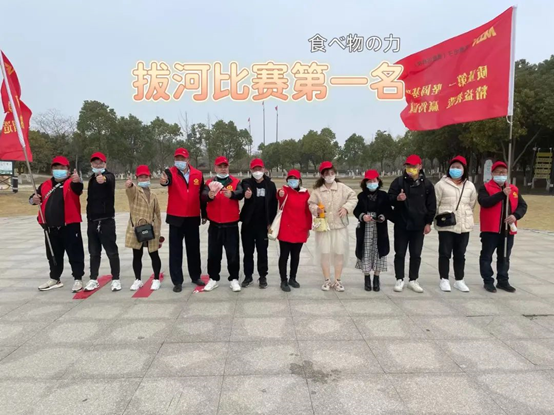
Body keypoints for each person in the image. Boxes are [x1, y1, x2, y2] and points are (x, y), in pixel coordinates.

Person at [31, 156, 85, 292]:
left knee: (75, 253)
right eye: (56, 167)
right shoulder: (45, 185)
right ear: (52, 170)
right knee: (53, 254)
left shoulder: (71, 182)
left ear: (68, 169)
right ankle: (55, 278)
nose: (58, 170)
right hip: (50, 226)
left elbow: (78, 188)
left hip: (69, 225)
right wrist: (33, 199)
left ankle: (78, 278)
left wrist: (77, 181)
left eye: (62, 168)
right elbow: (34, 198)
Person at [160, 148, 206, 292]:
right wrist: (164, 182)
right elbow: (165, 181)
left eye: (182, 158)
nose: (180, 161)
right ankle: (177, 281)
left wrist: (204, 214)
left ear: (188, 160)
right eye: (177, 159)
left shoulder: (198, 174)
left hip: (192, 216)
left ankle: (195, 276)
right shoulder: (170, 172)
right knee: (175, 251)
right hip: (176, 217)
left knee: (193, 249)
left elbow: (202, 195)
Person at [388, 155, 436, 293]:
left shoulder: (427, 185)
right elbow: (389, 198)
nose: (411, 169)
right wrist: (397, 198)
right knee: (400, 253)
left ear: (420, 166)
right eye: (408, 166)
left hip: (418, 224)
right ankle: (399, 279)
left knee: (416, 253)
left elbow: (431, 205)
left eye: (414, 166)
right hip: (402, 223)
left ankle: (413, 279)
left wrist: (428, 222)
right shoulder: (398, 182)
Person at [478, 161, 527, 293]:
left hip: (507, 230)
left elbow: (523, 206)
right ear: (493, 173)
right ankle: (488, 281)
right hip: (491, 229)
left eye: (504, 173)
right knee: (486, 256)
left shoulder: (513, 189)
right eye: (499, 172)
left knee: (504, 257)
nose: (501, 175)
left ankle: (503, 281)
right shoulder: (485, 188)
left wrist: (516, 215)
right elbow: (484, 202)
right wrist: (502, 194)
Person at [308, 161, 357, 292]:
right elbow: (311, 203)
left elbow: (353, 197)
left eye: (332, 173)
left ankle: (338, 280)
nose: (330, 176)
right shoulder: (317, 190)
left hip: (339, 226)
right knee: (324, 253)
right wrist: (316, 209)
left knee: (339, 253)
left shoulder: (342, 187)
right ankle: (327, 280)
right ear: (322, 175)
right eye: (327, 174)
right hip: (324, 227)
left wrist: (346, 208)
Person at [201, 156, 244, 292]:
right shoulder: (209, 183)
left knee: (233, 254)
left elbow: (240, 193)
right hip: (215, 225)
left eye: (225, 166)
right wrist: (210, 196)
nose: (223, 169)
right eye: (220, 166)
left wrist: (232, 194)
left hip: (231, 225)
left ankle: (234, 279)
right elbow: (203, 195)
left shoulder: (235, 181)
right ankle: (213, 278)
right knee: (214, 254)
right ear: (215, 168)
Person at [434, 156, 477, 292]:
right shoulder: (441, 185)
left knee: (460, 254)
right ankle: (444, 279)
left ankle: (459, 280)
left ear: (464, 169)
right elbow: (435, 204)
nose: (455, 169)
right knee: (444, 253)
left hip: (464, 225)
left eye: (458, 167)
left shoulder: (470, 186)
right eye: (453, 167)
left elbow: (472, 204)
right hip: (446, 225)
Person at [84, 152, 121, 292]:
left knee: (111, 251)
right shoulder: (91, 179)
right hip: (92, 221)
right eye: (95, 163)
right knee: (94, 252)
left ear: (105, 164)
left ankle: (116, 279)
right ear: (91, 164)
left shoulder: (109, 176)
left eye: (100, 163)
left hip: (106, 221)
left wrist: (103, 179)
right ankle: (93, 279)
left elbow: (108, 180)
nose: (98, 165)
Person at [240, 158, 278, 288]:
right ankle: (248, 276)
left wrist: (270, 223)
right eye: (254, 169)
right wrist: (247, 194)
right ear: (251, 170)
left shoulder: (270, 185)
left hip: (263, 225)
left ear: (264, 169)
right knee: (248, 252)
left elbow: (273, 205)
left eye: (259, 169)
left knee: (262, 252)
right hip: (248, 224)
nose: (257, 171)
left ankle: (262, 276)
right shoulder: (247, 182)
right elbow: (245, 189)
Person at [353, 170, 392, 292]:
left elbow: (388, 210)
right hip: (366, 227)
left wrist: (383, 216)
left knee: (378, 250)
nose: (372, 183)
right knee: (366, 250)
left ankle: (376, 277)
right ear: (365, 183)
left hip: (379, 227)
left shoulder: (383, 195)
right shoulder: (361, 196)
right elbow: (356, 211)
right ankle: (366, 277)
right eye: (369, 181)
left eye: (374, 181)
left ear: (378, 181)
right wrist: (363, 216)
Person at [125, 165, 162, 291]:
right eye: (141, 177)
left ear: (149, 177)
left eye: (146, 176)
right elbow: (130, 191)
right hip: (137, 228)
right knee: (137, 254)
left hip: (151, 228)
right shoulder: (135, 192)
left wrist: (158, 229)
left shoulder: (153, 195)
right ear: (137, 178)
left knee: (154, 254)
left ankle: (156, 279)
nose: (144, 179)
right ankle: (138, 279)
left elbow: (157, 213)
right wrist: (130, 185)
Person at [276, 170, 312, 292]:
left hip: (300, 228)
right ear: (287, 180)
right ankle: (283, 280)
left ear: (299, 180)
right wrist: (279, 194)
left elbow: (307, 212)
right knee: (284, 256)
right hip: (286, 228)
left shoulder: (305, 193)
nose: (293, 181)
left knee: (295, 256)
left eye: (295, 178)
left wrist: (308, 228)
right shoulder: (285, 190)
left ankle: (293, 278)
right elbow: (279, 196)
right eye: (290, 178)